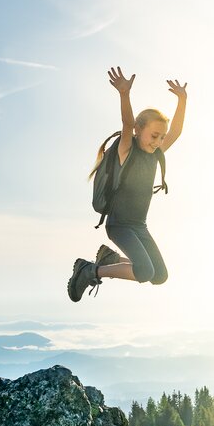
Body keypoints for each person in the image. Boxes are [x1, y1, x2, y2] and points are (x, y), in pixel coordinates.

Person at [67, 66, 187, 301]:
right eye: (154, 135)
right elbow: (126, 123)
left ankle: (110, 259)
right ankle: (89, 270)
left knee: (159, 276)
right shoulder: (126, 151)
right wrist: (124, 94)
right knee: (144, 272)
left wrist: (182, 101)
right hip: (119, 225)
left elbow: (176, 131)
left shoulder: (156, 154)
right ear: (138, 130)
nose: (158, 141)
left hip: (139, 226)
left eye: (161, 137)